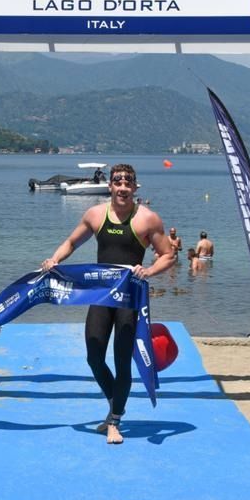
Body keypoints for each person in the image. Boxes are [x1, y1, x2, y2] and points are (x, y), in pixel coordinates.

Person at [41, 163, 174, 444]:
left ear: (135, 187)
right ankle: (116, 403)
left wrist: (149, 271)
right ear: (110, 185)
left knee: (122, 360)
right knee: (94, 356)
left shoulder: (148, 219)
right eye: (118, 182)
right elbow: (71, 242)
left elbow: (168, 255)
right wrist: (54, 260)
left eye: (128, 183)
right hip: (101, 296)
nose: (123, 188)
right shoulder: (95, 214)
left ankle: (114, 421)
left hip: (129, 297)